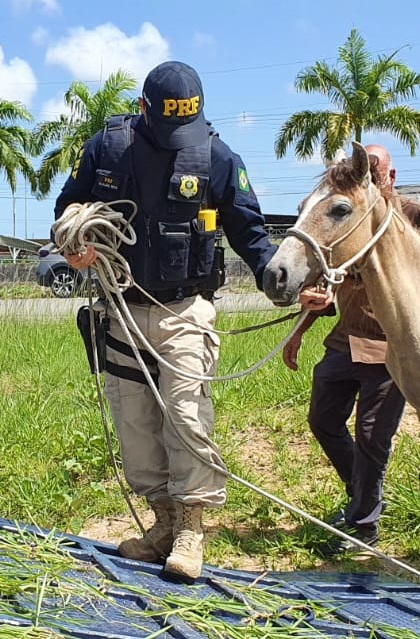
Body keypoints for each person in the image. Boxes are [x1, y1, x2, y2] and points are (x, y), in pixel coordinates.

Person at [54, 60, 277, 580]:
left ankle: (191, 528)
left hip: (186, 308)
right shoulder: (105, 149)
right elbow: (66, 207)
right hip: (122, 309)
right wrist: (76, 244)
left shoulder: (217, 156)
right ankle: (161, 523)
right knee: (133, 421)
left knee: (185, 414)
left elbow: (251, 234)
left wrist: (279, 282)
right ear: (143, 109)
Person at [286, 144, 420, 555]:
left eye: (375, 171)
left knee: (371, 437)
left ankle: (363, 526)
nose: (368, 178)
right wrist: (300, 328)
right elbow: (323, 282)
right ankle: (361, 496)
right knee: (323, 420)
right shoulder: (347, 216)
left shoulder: (414, 217)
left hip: (391, 348)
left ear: (390, 177)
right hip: (345, 342)